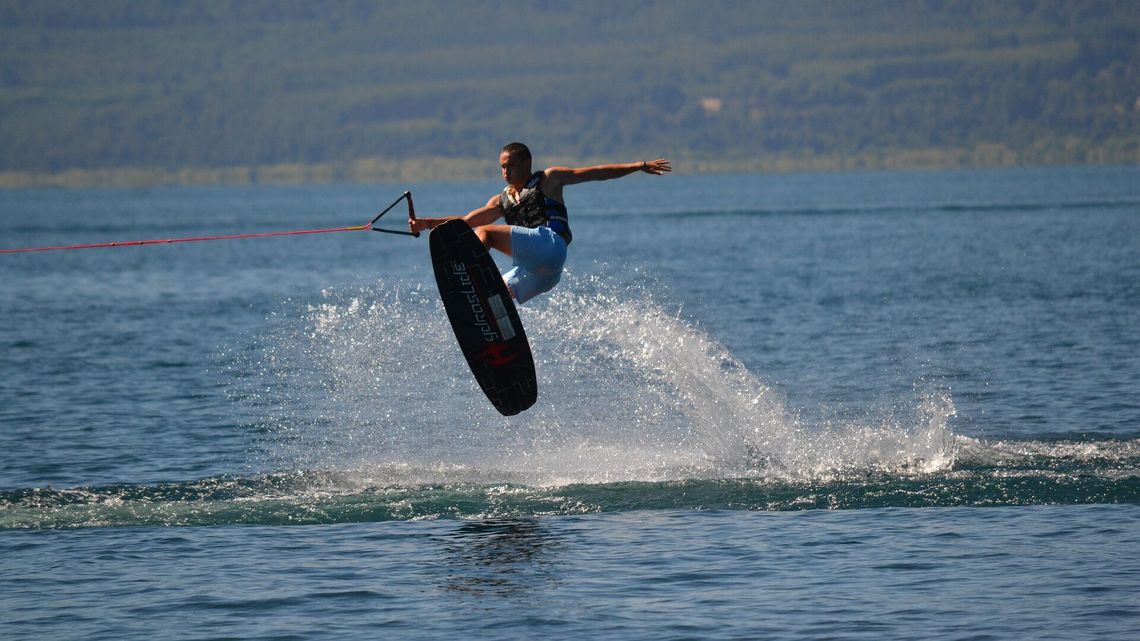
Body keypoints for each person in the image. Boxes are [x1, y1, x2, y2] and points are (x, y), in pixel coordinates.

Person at [410, 142, 671, 303]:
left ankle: (468, 279)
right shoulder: (501, 200)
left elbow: (595, 173)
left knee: (485, 234)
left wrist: (639, 165)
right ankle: (498, 329)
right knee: (497, 294)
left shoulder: (549, 179)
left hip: (551, 245)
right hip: (543, 274)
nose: (505, 172)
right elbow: (466, 222)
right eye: (502, 167)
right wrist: (427, 222)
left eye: (510, 166)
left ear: (527, 163)